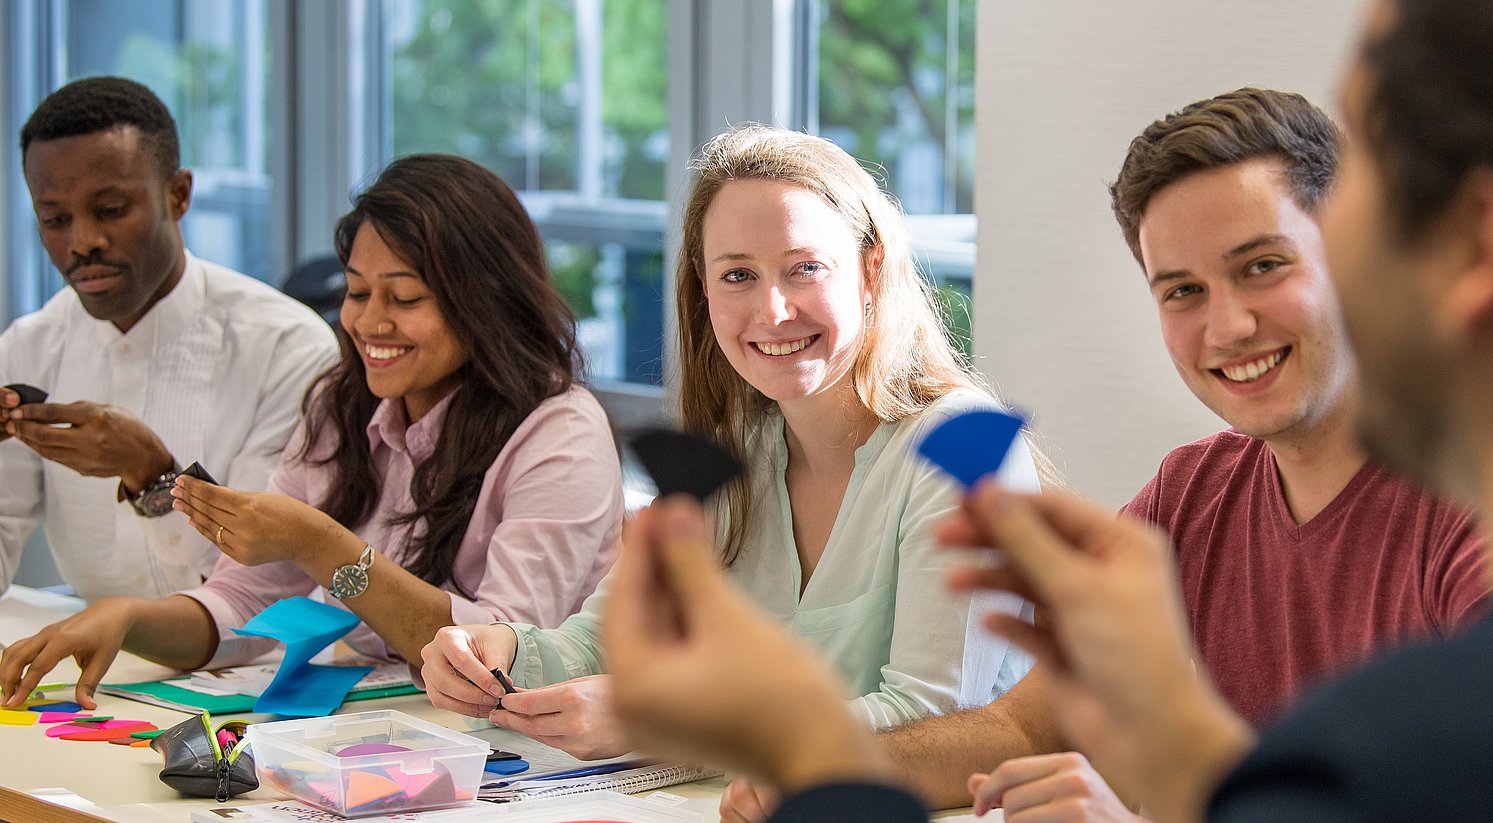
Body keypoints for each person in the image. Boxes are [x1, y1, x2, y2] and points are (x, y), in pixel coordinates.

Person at [587, 0, 1493, 820]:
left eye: (1349, 193)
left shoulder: (1468, 729)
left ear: (1479, 244)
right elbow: (1045, 720)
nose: (1228, 321)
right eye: (1179, 285)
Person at [722, 88, 1489, 822]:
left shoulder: (1484, 510)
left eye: (1263, 266)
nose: (1228, 326)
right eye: (1182, 290)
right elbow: (1027, 727)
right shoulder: (1192, 494)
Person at [416, 125, 1037, 759]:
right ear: (703, 287)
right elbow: (598, 644)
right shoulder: (736, 449)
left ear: (870, 267)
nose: (772, 310)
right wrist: (499, 653)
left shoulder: (966, 448)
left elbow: (933, 717)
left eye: (805, 269)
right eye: (738, 275)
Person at [0, 154, 621, 709]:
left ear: (484, 300)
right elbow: (242, 605)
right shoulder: (344, 408)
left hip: (517, 757)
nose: (369, 322)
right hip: (380, 737)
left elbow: (500, 656)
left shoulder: (558, 430)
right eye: (356, 292)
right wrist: (123, 619)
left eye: (404, 299)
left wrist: (321, 544)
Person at [0, 76, 336, 600]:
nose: (82, 242)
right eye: (54, 219)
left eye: (110, 210)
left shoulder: (287, 347)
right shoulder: (29, 345)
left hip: (252, 669)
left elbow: (257, 586)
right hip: (91, 664)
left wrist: (153, 475)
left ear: (178, 195)